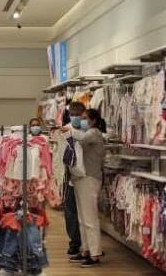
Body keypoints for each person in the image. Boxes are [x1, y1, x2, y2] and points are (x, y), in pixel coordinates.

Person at [67, 108, 106, 268]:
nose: (80, 120)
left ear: (93, 120)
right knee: (83, 219)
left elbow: (81, 137)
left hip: (90, 178)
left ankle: (95, 253)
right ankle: (86, 250)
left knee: (90, 218)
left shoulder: (94, 133)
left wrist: (68, 129)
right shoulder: (86, 134)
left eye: (84, 118)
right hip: (80, 178)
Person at [62, 101, 86, 257]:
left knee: (86, 213)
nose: (75, 117)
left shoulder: (89, 129)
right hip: (69, 176)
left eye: (78, 115)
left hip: (86, 177)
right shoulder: (65, 130)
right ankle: (74, 243)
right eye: (72, 114)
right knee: (70, 212)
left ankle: (87, 244)